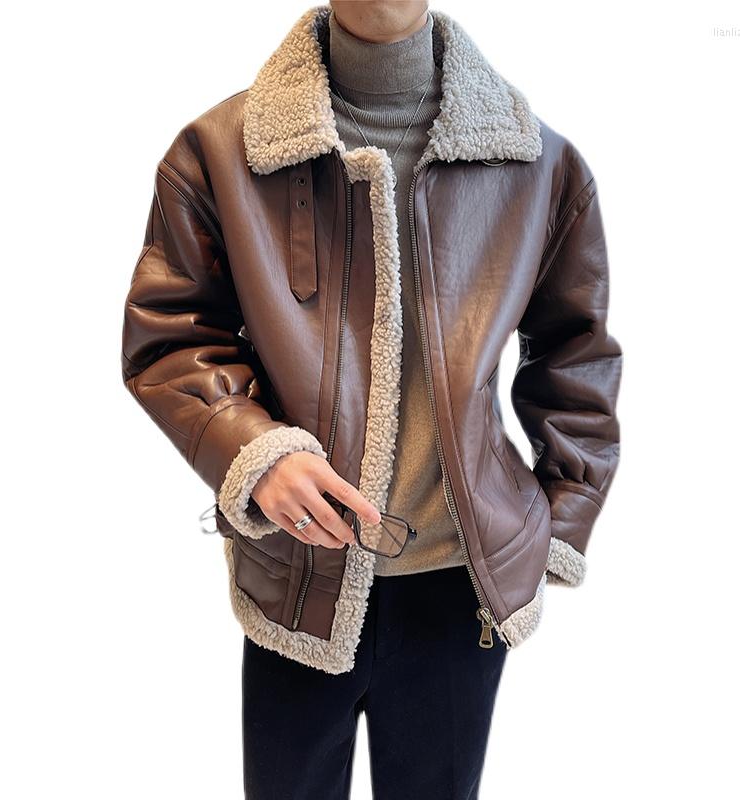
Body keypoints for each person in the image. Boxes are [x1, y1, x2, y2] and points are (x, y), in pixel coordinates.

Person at [120, 2, 623, 797]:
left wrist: (556, 528)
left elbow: (577, 356)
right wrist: (257, 452)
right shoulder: (219, 152)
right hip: (296, 574)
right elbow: (170, 337)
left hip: (459, 590)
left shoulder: (539, 164)